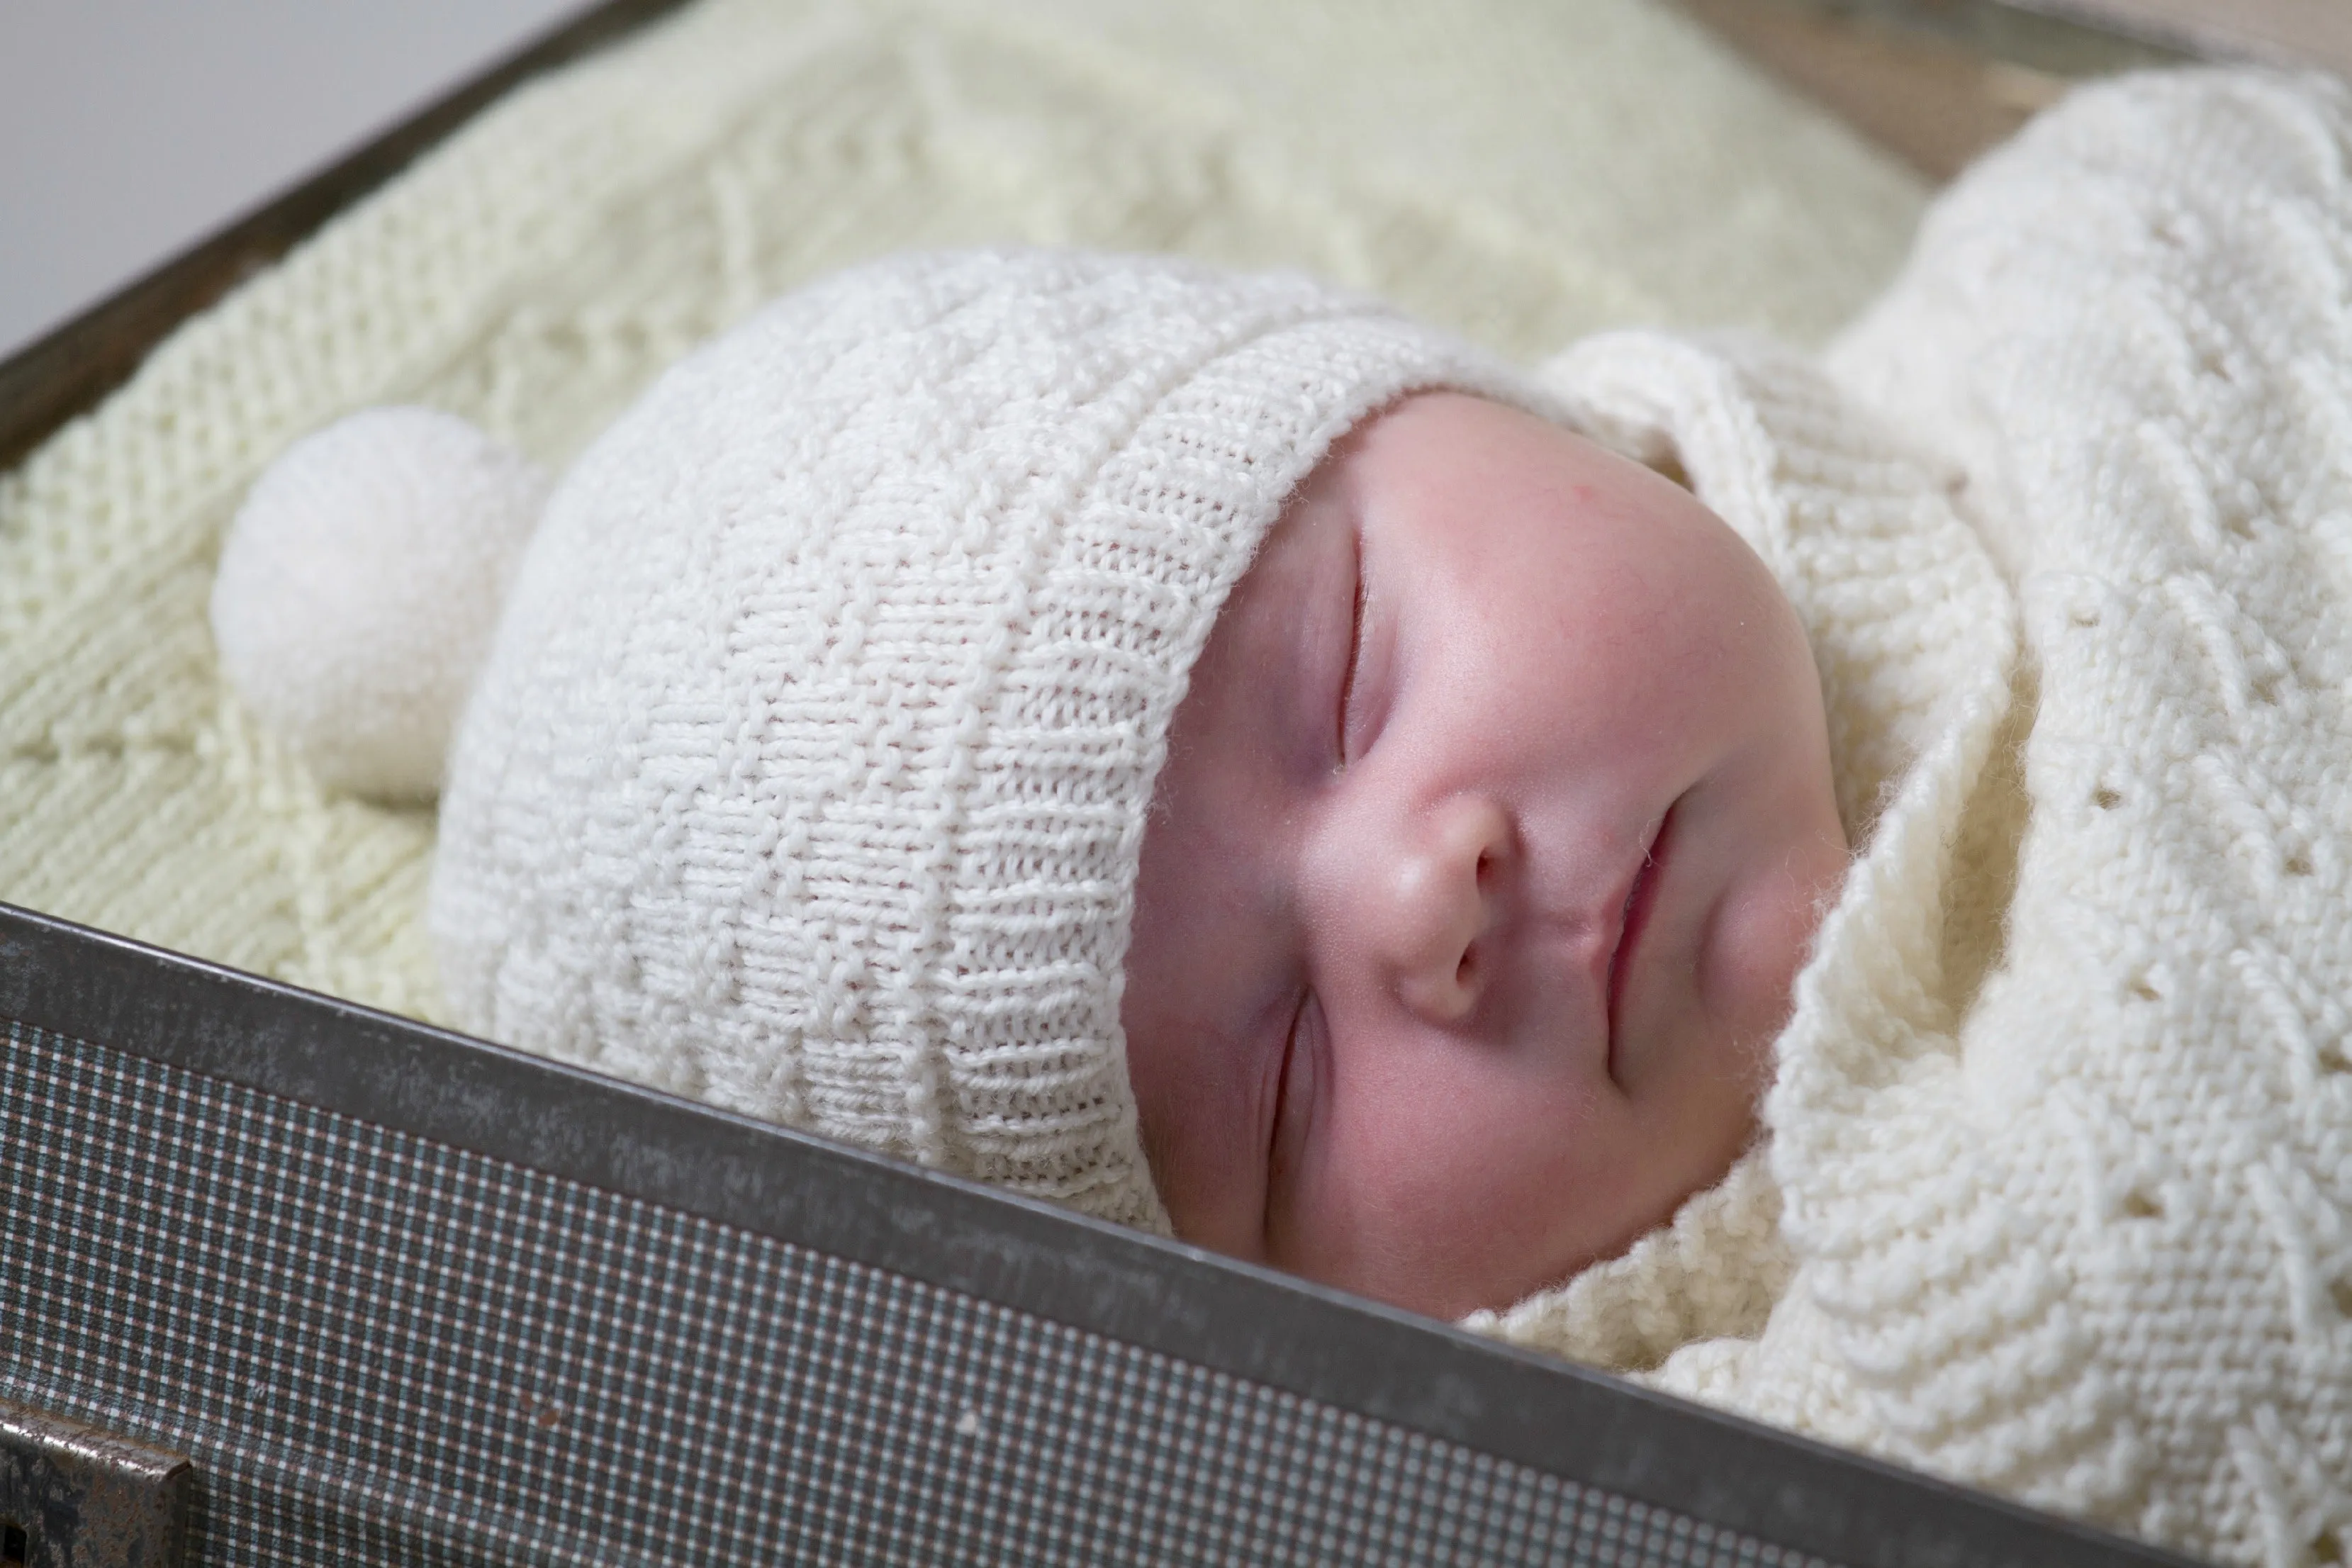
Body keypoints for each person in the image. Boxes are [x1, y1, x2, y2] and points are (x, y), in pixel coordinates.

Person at [210, 67, 2352, 1567]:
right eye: (1282, 1083)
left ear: (1481, 403)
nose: (1421, 893)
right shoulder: (1769, 1446)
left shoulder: (2122, 282)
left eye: (1344, 674)